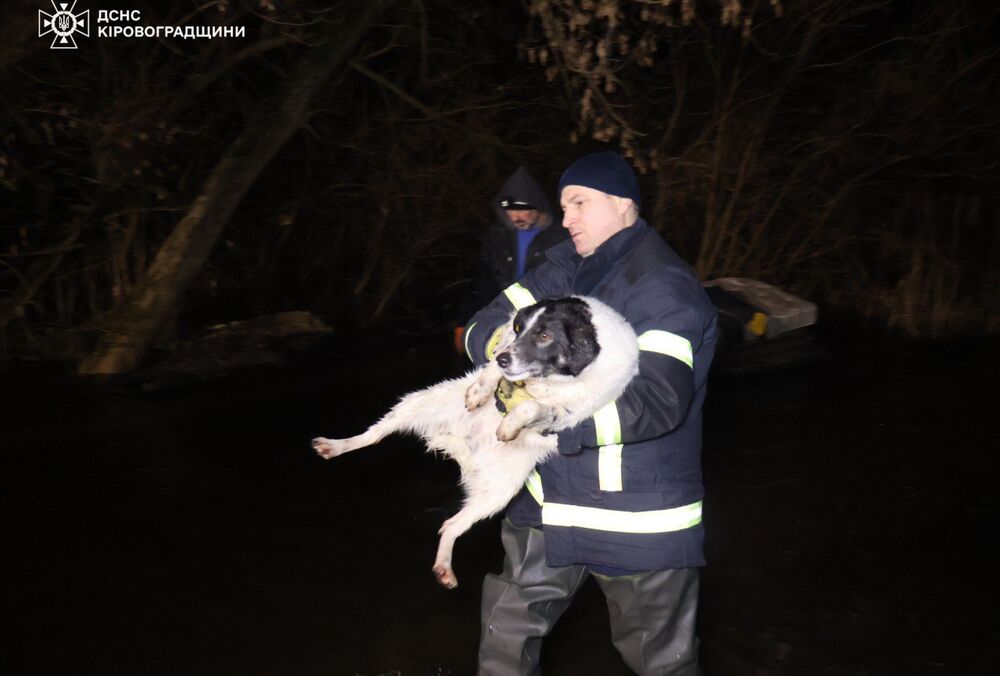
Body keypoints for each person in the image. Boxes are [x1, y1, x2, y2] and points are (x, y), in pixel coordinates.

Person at [463, 151, 718, 675]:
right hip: (547, 508)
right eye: (563, 205)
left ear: (624, 205)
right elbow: (485, 325)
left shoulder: (664, 287)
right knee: (503, 646)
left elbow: (659, 401)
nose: (568, 216)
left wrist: (542, 417)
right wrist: (505, 361)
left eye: (580, 202)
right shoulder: (559, 268)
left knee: (661, 664)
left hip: (638, 525)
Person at [454, 167, 567, 353]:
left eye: (523, 209)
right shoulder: (497, 238)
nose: (516, 216)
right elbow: (482, 282)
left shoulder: (561, 238)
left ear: (537, 205)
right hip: (503, 324)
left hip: (545, 327)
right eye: (511, 210)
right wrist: (464, 322)